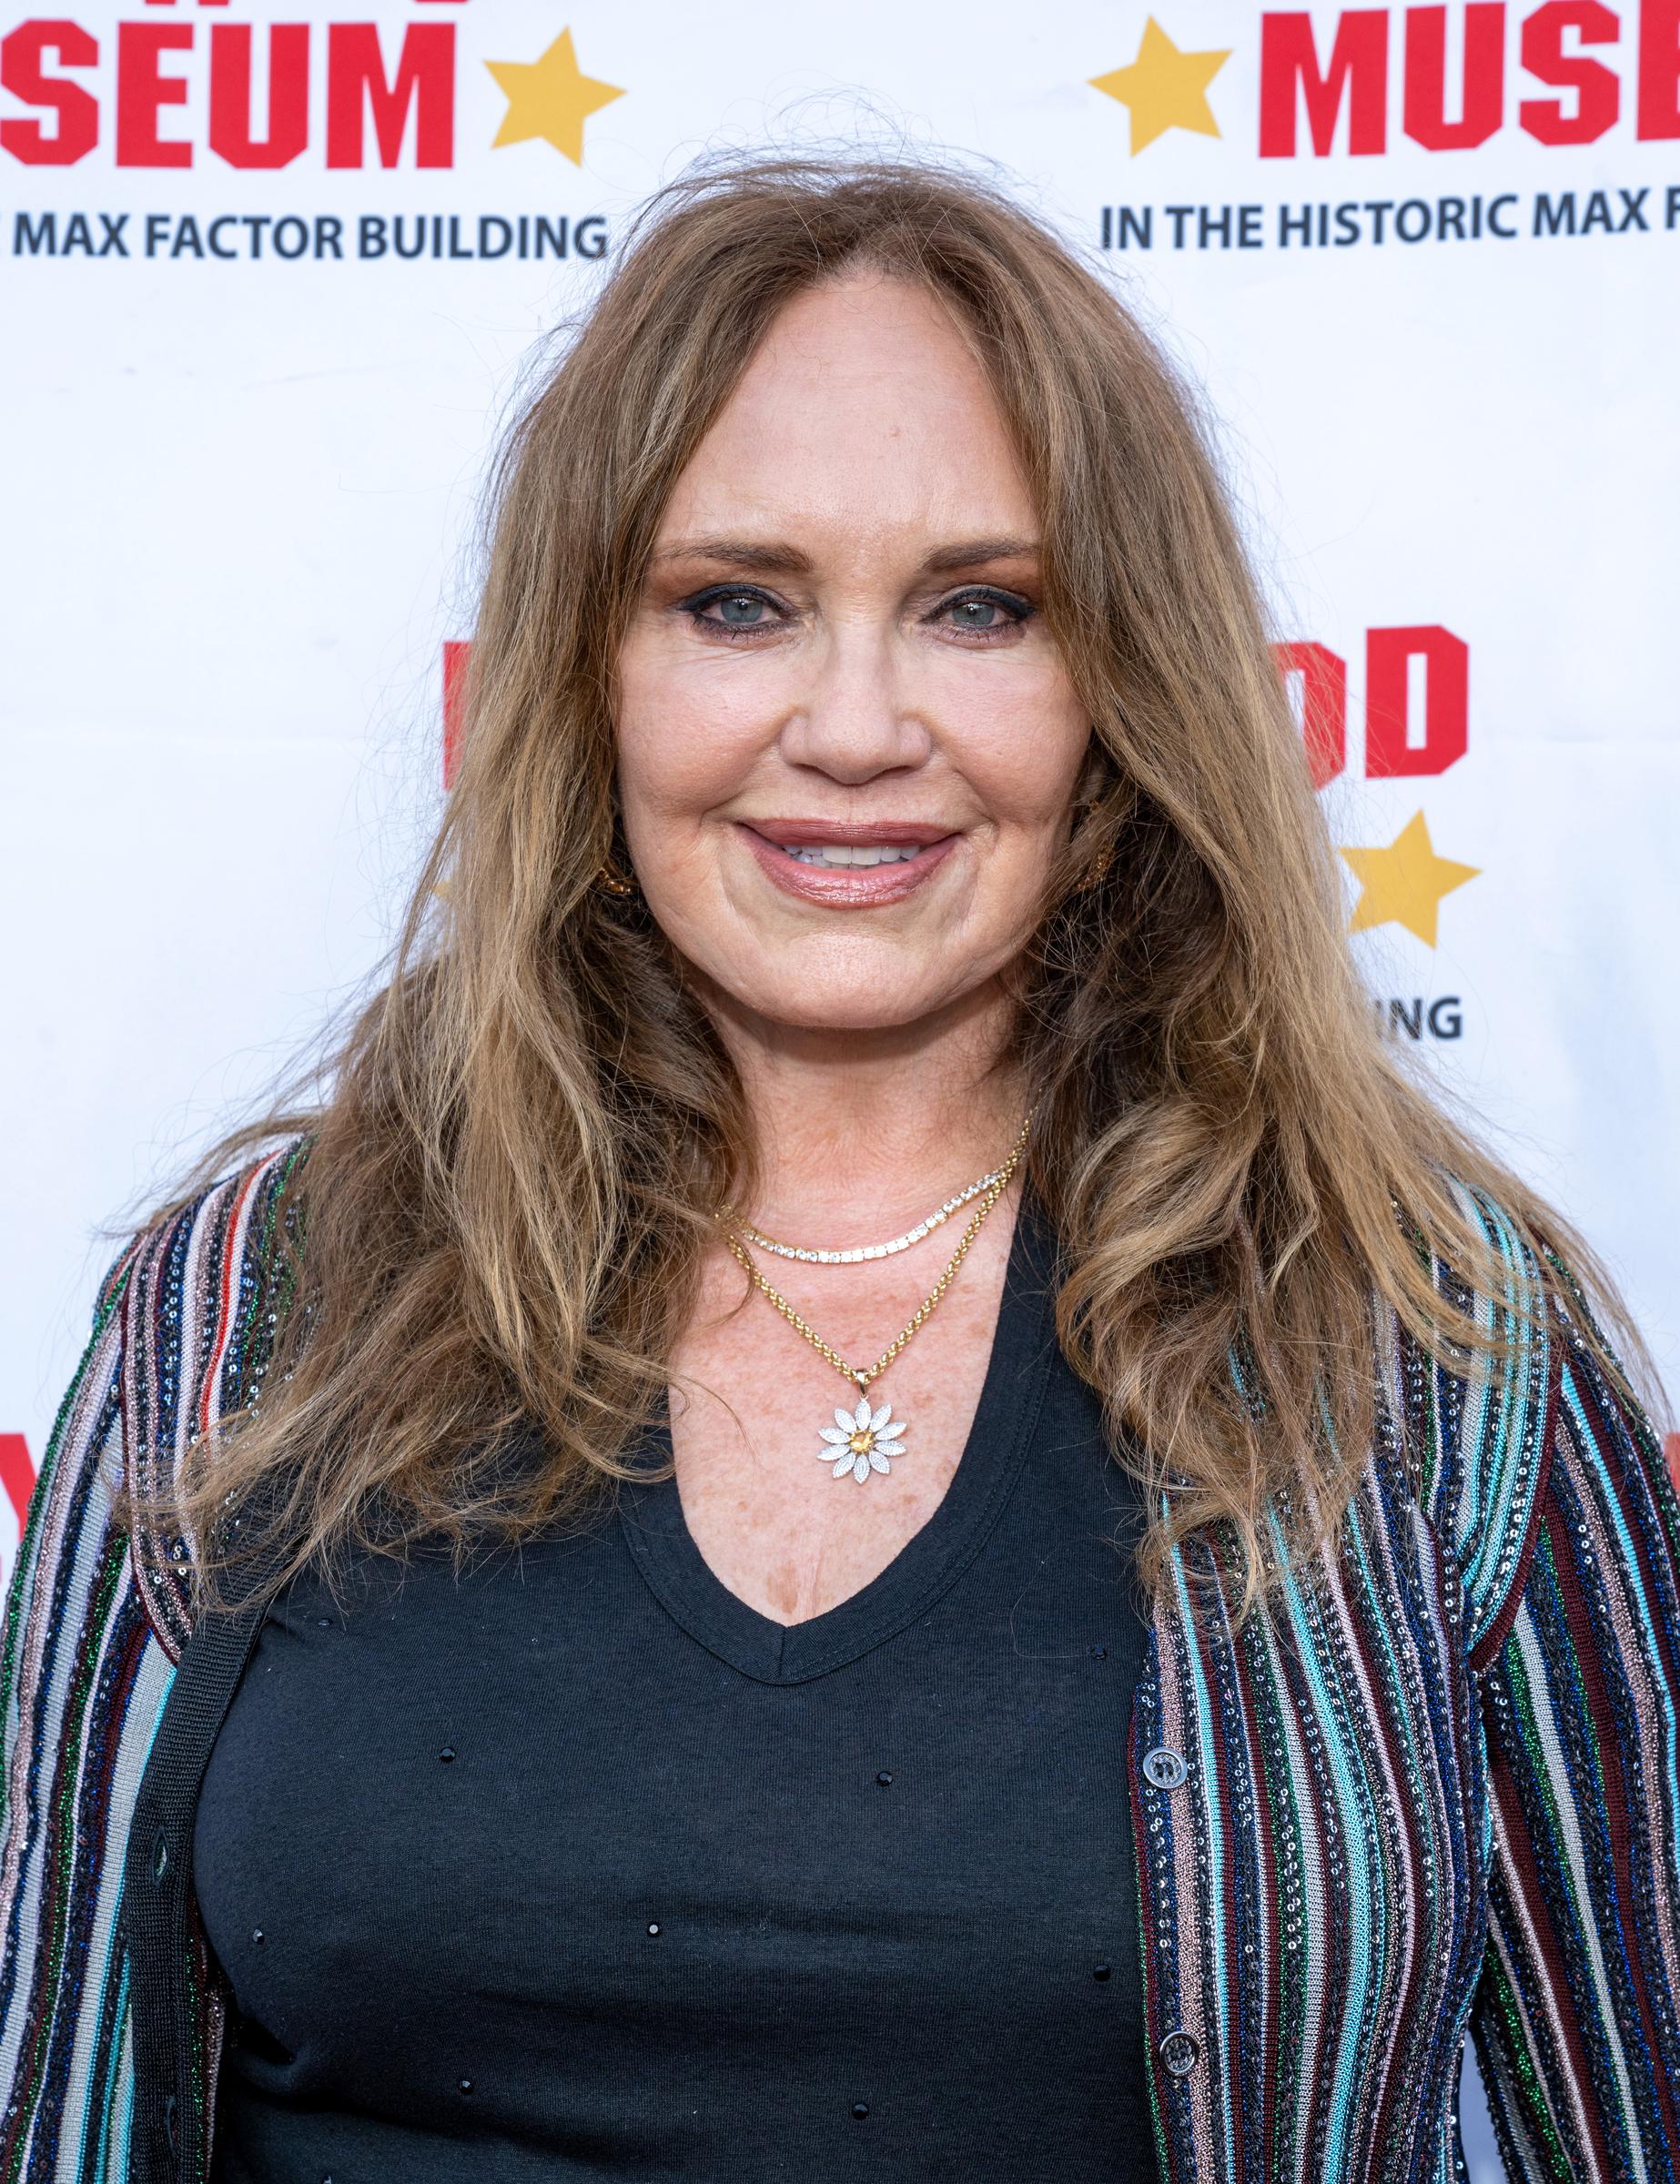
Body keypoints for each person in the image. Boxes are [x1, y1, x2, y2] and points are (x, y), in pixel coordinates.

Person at [2, 147, 1676, 2184]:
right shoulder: (251, 1309)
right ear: (587, 674)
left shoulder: (1433, 1355)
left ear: (1118, 691)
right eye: (737, 604)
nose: (856, 724)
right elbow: (51, 2091)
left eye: (981, 608)